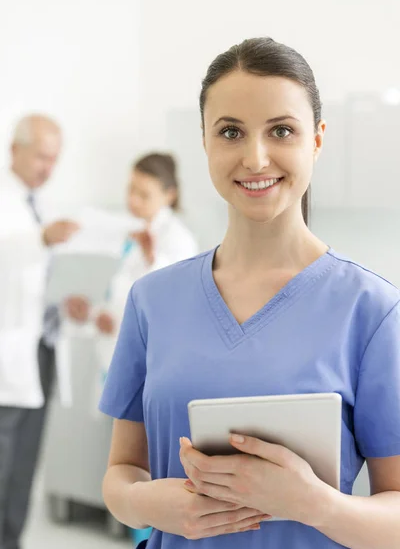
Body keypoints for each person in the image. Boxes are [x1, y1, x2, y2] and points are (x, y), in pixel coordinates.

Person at [98, 38, 400, 549]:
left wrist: (314, 504)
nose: (255, 158)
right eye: (231, 132)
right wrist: (151, 504)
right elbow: (121, 473)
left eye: (281, 130)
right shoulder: (152, 301)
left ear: (317, 140)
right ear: (205, 142)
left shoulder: (371, 311)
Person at [0, 114, 79, 549]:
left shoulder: (41, 204)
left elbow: (39, 282)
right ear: (16, 150)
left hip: (41, 348)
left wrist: (67, 301)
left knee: (25, 464)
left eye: (55, 159)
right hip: (8, 354)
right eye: (41, 156)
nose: (48, 167)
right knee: (2, 460)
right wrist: (40, 240)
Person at [66, 152, 198, 372]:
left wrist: (151, 258)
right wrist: (95, 314)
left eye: (144, 195)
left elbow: (173, 304)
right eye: (131, 190)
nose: (133, 201)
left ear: (170, 195)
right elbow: (121, 297)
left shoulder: (179, 241)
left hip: (151, 365)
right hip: (113, 357)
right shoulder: (130, 232)